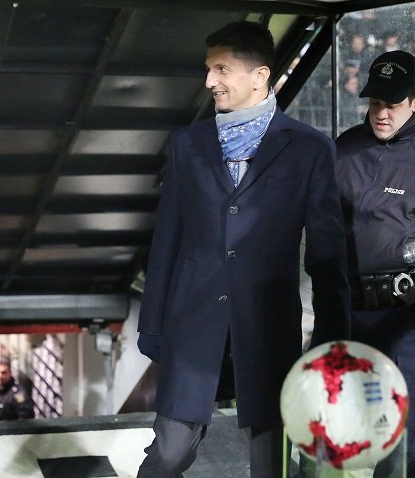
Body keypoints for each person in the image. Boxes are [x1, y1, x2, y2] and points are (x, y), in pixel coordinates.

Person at [135, 21, 350, 478]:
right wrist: (151, 322)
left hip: (269, 328)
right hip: (192, 324)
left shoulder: (310, 149)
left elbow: (327, 253)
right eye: (208, 69)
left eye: (221, 69)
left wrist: (333, 337)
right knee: (169, 454)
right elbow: (167, 239)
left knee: (272, 464)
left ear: (260, 76)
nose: (209, 81)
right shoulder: (187, 144)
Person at [335, 49, 415, 478]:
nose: (382, 113)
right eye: (376, 102)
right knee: (329, 434)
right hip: (345, 314)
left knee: (401, 448)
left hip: (404, 323)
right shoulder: (345, 148)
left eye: (393, 104)